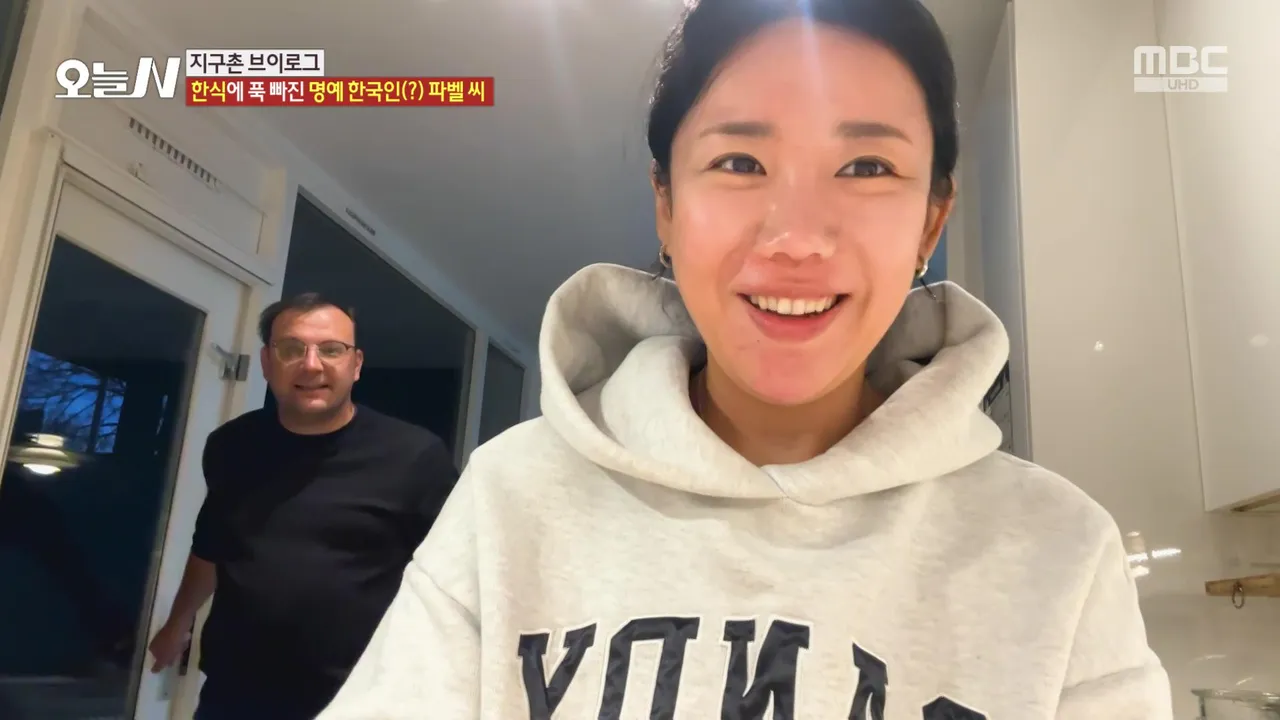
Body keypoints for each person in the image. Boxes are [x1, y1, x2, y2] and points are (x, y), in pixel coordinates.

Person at [318, 0, 1174, 717]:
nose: (796, 237)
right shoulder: (513, 499)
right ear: (665, 205)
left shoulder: (1057, 555)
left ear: (930, 222)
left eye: (866, 166)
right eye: (739, 161)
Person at [147, 293, 458, 720]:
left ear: (356, 364)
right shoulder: (231, 446)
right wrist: (178, 622)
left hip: (361, 700)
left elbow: (454, 578)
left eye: (331, 350)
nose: (311, 365)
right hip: (234, 694)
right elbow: (212, 546)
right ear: (266, 362)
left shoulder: (415, 456)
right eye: (291, 349)